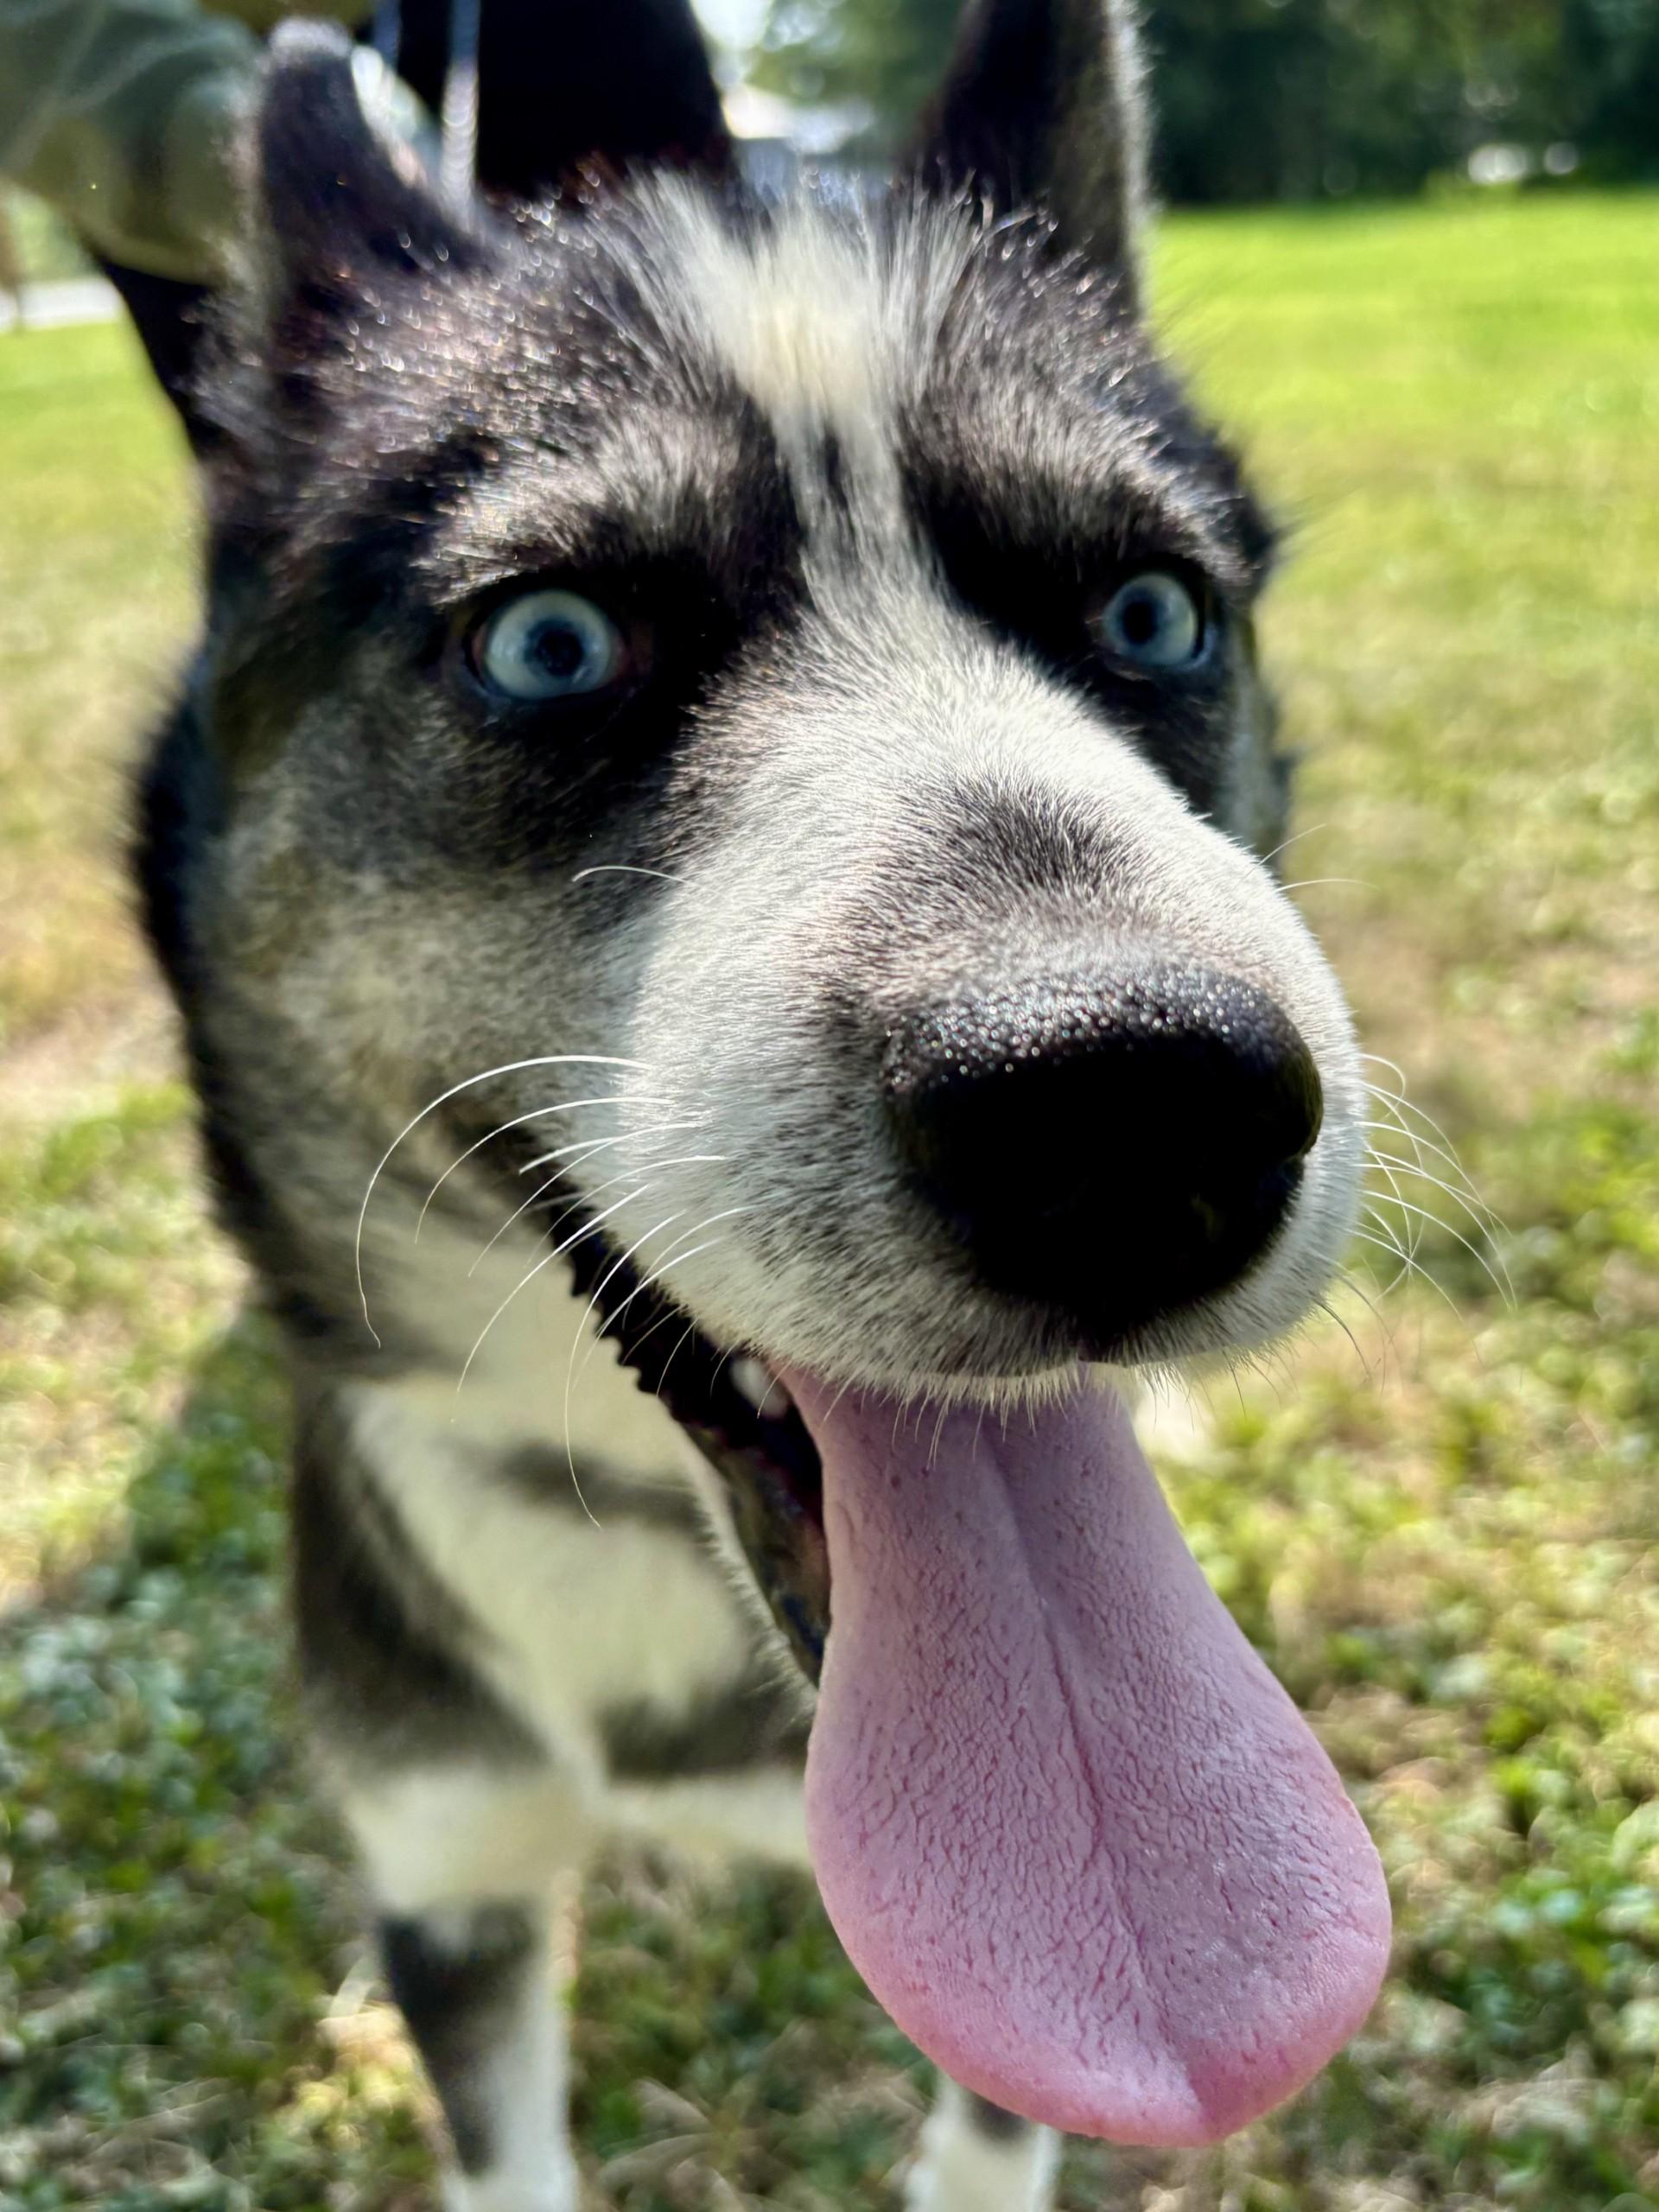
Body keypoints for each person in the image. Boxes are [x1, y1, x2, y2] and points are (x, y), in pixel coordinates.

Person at [0, 0, 728, 437]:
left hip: (525, 29)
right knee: (278, 462)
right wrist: (291, 178)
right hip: (157, 62)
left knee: (697, 312)